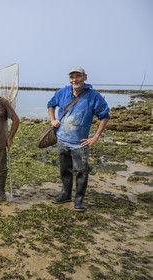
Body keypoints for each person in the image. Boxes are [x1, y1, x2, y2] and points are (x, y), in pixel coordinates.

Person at [48, 66, 110, 211]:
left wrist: (95, 136)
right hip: (62, 139)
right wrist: (52, 120)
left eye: (78, 76)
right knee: (65, 170)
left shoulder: (94, 96)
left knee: (81, 171)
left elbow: (105, 116)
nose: (74, 79)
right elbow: (50, 105)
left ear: (85, 77)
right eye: (72, 77)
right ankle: (65, 194)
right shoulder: (62, 92)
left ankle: (79, 200)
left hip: (80, 143)